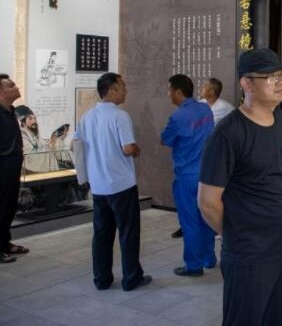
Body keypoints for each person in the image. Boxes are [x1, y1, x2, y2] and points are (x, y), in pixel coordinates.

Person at [198, 48, 282, 326]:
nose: (280, 82)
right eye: (270, 77)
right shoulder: (228, 133)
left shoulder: (281, 121)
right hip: (249, 254)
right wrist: (236, 234)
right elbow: (207, 202)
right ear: (246, 83)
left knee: (278, 318)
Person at [72, 73, 151, 291]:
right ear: (112, 89)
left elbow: (76, 145)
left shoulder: (86, 117)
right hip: (121, 184)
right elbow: (127, 148)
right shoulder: (120, 116)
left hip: (98, 185)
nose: (126, 91)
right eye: (122, 87)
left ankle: (102, 279)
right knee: (128, 232)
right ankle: (131, 278)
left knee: (102, 234)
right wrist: (136, 149)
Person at [161, 74, 216, 276]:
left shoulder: (177, 117)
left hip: (186, 176)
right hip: (207, 175)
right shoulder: (205, 109)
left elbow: (165, 140)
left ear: (177, 92)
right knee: (206, 219)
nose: (168, 95)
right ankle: (209, 258)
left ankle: (193, 265)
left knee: (189, 221)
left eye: (169, 90)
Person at [0, 74, 28, 264]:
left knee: (9, 206)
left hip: (12, 164)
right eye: (11, 86)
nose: (16, 87)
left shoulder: (10, 111)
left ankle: (5, 242)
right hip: (2, 165)